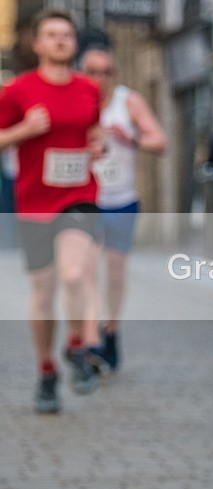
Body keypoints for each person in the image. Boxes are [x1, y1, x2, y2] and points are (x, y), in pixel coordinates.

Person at [0, 10, 104, 413]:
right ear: (38, 44)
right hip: (34, 204)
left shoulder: (88, 89)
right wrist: (24, 130)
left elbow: (93, 131)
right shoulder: (18, 90)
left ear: (74, 43)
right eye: (52, 35)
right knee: (43, 293)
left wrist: (99, 146)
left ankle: (76, 346)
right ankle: (46, 371)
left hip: (80, 197)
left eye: (67, 34)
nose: (60, 41)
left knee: (75, 273)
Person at [80, 47, 167, 372]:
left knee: (114, 274)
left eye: (106, 72)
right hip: (86, 201)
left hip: (121, 201)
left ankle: (111, 332)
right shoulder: (75, 100)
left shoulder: (127, 101)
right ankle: (91, 344)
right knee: (86, 272)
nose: (99, 78)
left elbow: (160, 142)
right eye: (92, 71)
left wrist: (130, 137)